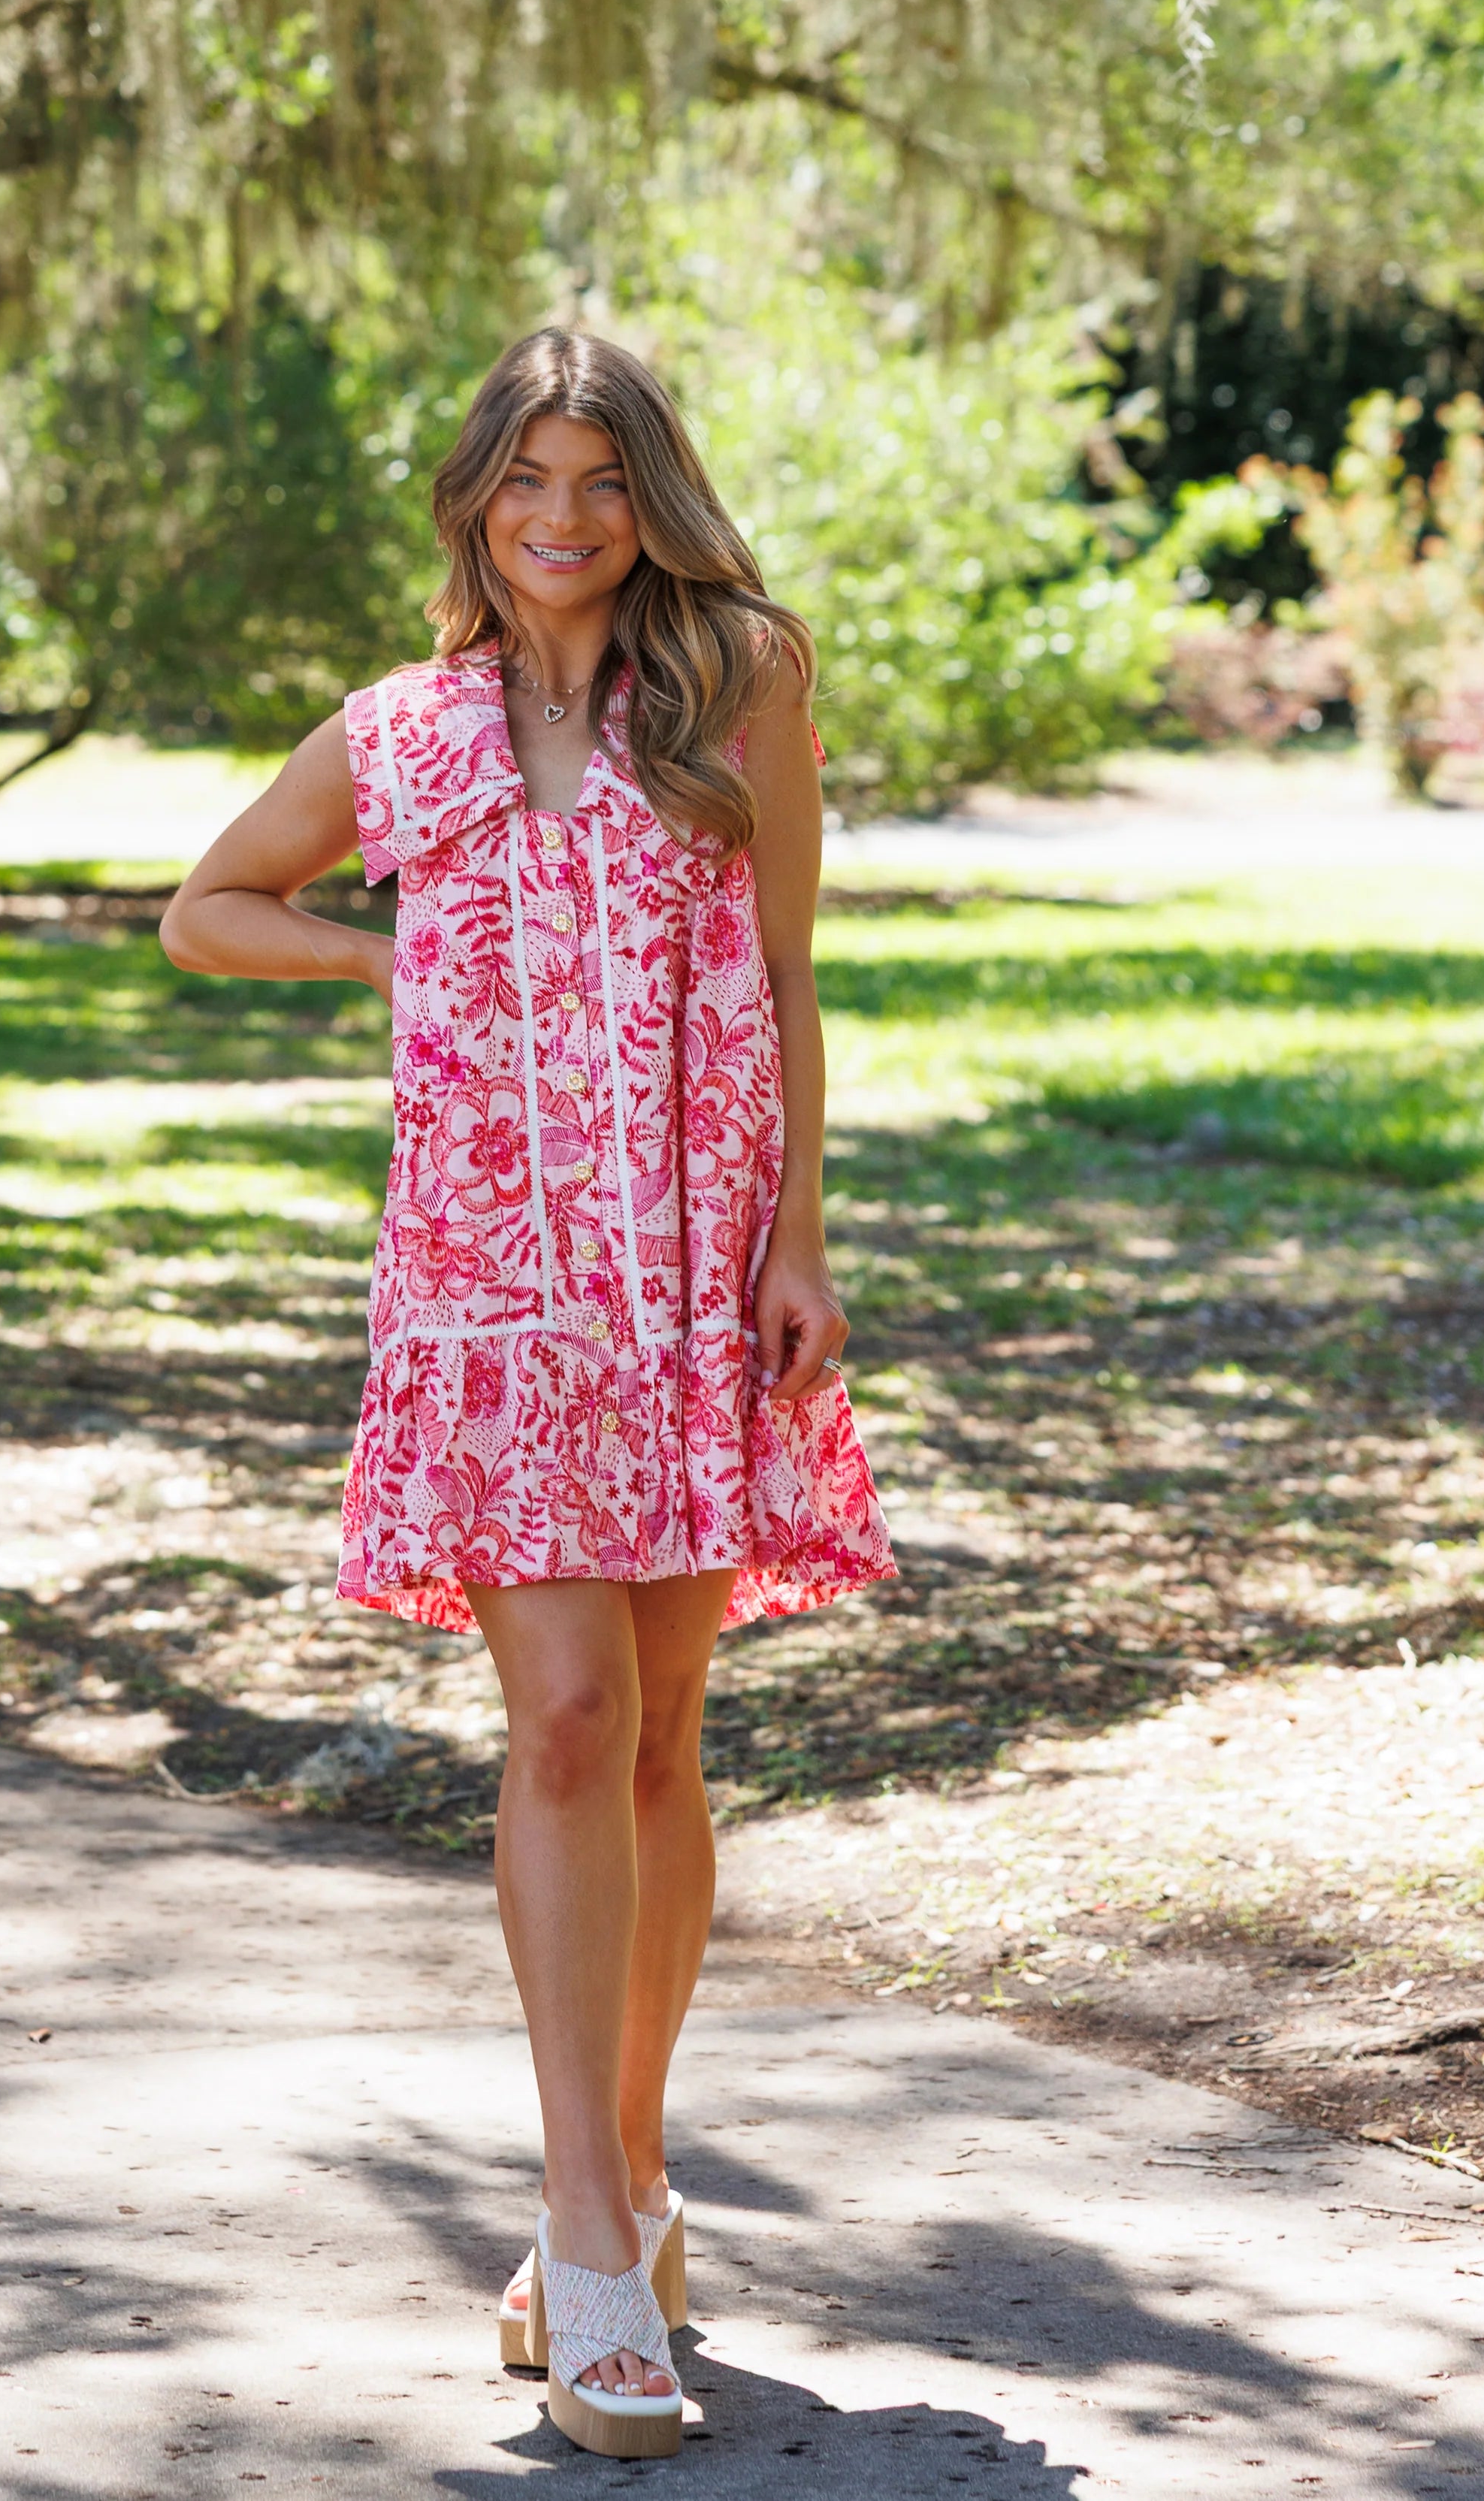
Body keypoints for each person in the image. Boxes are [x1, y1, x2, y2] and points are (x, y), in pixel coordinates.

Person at [162, 328, 893, 2460]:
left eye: (594, 478)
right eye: (522, 480)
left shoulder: (737, 680)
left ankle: (641, 2185)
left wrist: (797, 1241)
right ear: (474, 500)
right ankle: (580, 2232)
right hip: (488, 1293)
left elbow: (779, 974)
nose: (559, 517)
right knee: (564, 1716)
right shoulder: (400, 733)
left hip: (689, 1270)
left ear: (643, 494)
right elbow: (210, 905)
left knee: (663, 1737)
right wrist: (388, 955)